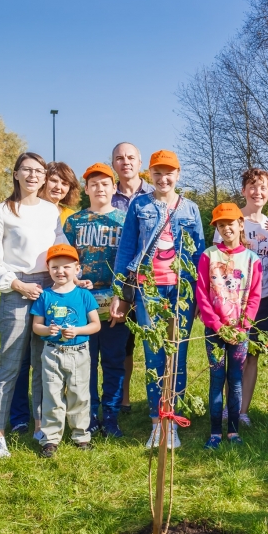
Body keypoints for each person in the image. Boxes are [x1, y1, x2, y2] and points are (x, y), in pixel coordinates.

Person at [110, 149, 205, 450]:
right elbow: (126, 249)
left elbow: (200, 256)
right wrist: (120, 292)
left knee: (176, 355)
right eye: (157, 173)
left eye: (169, 173)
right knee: (154, 354)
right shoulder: (140, 205)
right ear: (149, 175)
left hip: (181, 290)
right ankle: (156, 422)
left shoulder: (190, 209)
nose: (163, 178)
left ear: (178, 175)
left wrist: (201, 296)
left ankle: (171, 421)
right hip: (148, 288)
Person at [0, 152, 66, 458]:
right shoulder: (2, 211)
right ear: (16, 174)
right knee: (10, 362)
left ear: (44, 177)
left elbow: (62, 248)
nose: (33, 175)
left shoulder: (50, 211)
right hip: (17, 288)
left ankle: (40, 426)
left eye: (39, 171)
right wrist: (17, 284)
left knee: (44, 362)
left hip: (47, 288)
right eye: (27, 170)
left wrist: (72, 277)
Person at [9, 161, 83, 435]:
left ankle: (49, 414)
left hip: (57, 291)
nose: (58, 187)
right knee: (21, 356)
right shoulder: (22, 209)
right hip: (26, 285)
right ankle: (18, 415)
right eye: (54, 180)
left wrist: (76, 279)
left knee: (49, 356)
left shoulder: (68, 216)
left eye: (65, 183)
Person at [63, 163, 128, 438]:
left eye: (105, 184)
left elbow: (132, 262)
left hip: (116, 301)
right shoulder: (74, 222)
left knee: (113, 360)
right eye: (94, 184)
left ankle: (111, 416)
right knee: (84, 362)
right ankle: (88, 413)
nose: (100, 188)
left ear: (114, 188)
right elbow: (64, 259)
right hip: (82, 302)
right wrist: (73, 281)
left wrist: (123, 297)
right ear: (86, 189)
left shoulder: (125, 221)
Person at [213, 168, 268, 426]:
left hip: (263, 298)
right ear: (243, 191)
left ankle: (242, 411)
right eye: (252, 186)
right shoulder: (230, 220)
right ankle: (227, 407)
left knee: (252, 354)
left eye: (263, 187)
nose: (257, 191)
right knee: (233, 354)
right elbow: (216, 260)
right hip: (233, 300)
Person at [196, 203, 263, 450]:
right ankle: (215, 432)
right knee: (216, 378)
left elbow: (255, 296)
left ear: (240, 224)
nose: (226, 228)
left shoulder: (252, 260)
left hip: (239, 332)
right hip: (214, 330)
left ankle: (233, 430)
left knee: (235, 380)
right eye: (221, 225)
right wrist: (215, 324)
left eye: (230, 223)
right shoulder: (208, 255)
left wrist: (243, 326)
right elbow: (202, 293)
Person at [31, 245, 101, 458]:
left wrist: (78, 330)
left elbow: (96, 325)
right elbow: (36, 326)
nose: (60, 271)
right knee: (51, 395)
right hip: (52, 352)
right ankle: (50, 439)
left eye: (66, 267)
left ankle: (81, 435)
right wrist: (47, 330)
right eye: (55, 267)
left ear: (77, 269)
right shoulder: (45, 296)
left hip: (79, 352)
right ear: (49, 269)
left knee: (79, 394)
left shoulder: (83, 295)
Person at [111, 142, 155, 415]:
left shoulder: (155, 194)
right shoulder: (105, 193)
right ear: (113, 164)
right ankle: (124, 399)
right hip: (118, 276)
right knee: (122, 343)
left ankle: (159, 399)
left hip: (151, 280)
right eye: (119, 158)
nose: (125, 162)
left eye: (130, 157)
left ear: (140, 163)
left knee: (153, 339)